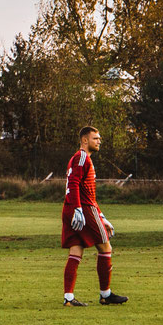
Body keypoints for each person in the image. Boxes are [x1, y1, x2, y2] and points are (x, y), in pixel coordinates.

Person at [61, 125, 127, 307]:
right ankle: (105, 294)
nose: (99, 141)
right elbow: (74, 183)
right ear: (85, 140)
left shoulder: (80, 158)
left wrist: (102, 216)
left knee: (76, 251)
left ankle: (68, 298)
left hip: (74, 208)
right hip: (83, 209)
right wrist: (79, 209)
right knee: (106, 248)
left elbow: (84, 189)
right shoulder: (82, 156)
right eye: (95, 138)